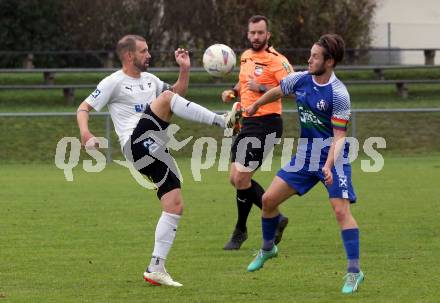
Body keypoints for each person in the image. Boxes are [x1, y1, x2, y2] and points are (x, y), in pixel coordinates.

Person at [76, 35, 241, 287]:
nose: (148, 55)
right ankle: (222, 121)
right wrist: (86, 134)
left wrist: (184, 70)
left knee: (174, 204)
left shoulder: (151, 80)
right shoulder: (114, 82)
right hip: (135, 144)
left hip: (154, 148)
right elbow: (83, 107)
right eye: (143, 51)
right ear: (130, 56)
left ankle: (156, 267)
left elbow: (177, 99)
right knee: (165, 99)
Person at [245, 34, 364, 294]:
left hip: (334, 157)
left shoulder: (339, 93)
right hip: (305, 156)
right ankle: (268, 249)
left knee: (341, 212)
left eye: (315, 56)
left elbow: (340, 137)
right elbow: (279, 89)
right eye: (309, 54)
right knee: (267, 201)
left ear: (330, 61)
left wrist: (329, 164)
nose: (309, 59)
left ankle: (354, 272)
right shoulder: (301, 79)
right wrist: (255, 105)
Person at [221, 15, 293, 250]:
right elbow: (243, 84)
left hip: (267, 122)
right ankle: (275, 217)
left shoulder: (277, 61)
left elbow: (291, 89)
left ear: (268, 35)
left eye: (260, 33)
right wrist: (232, 92)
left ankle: (242, 230)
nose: (255, 36)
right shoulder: (245, 56)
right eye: (252, 32)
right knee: (235, 178)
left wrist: (261, 87)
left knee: (242, 178)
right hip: (247, 122)